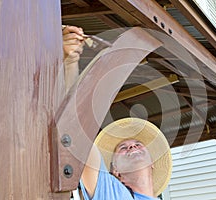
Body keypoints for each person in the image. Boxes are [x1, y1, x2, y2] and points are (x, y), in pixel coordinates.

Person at [62, 26, 172, 200]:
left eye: (137, 144)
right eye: (122, 148)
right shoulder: (111, 192)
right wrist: (70, 62)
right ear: (115, 171)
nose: (131, 146)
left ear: (152, 163)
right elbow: (74, 126)